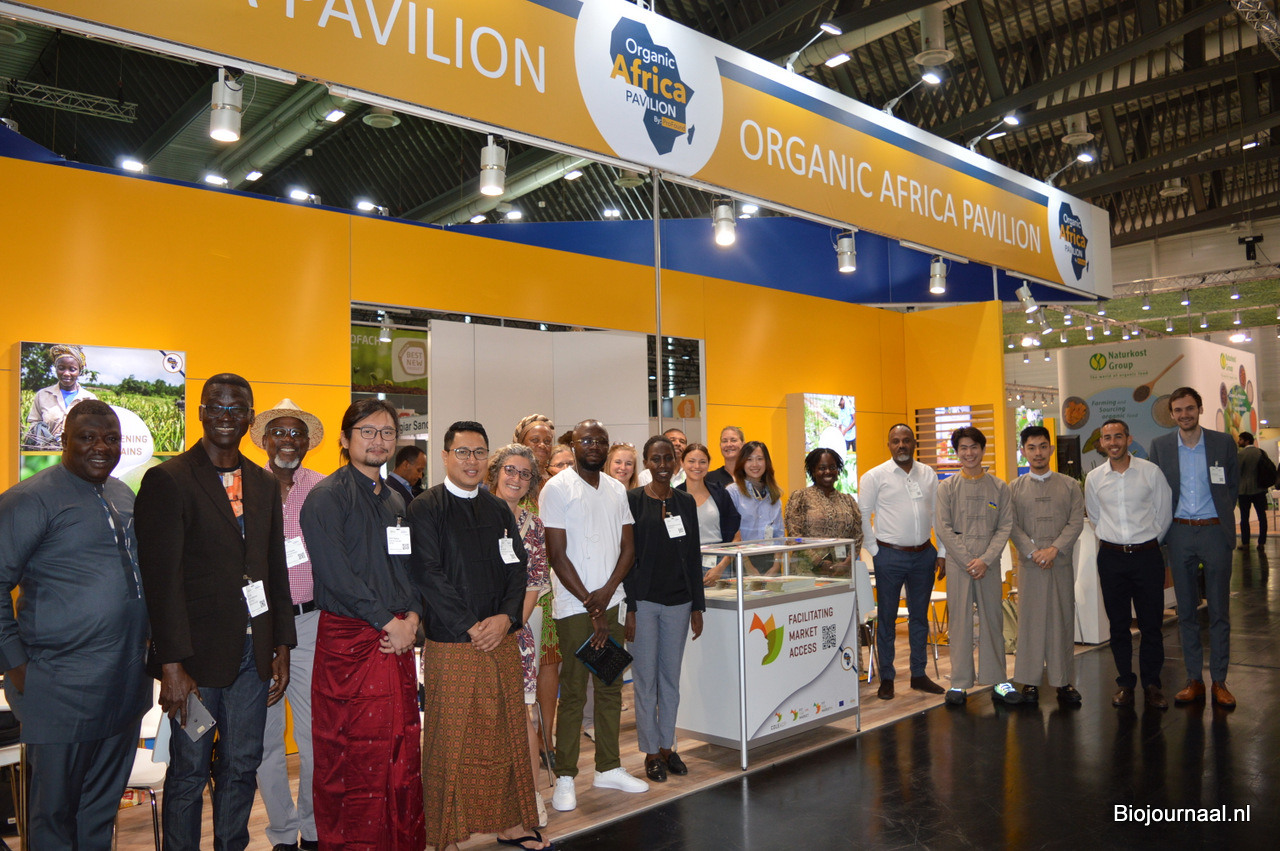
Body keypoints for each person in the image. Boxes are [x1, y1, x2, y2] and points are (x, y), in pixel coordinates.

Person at [135, 373, 296, 851]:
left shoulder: (263, 482)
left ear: (250, 417)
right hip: (194, 664)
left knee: (242, 764)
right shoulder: (168, 479)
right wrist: (171, 664)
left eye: (236, 407)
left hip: (253, 657)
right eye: (217, 406)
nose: (226, 415)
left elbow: (273, 569)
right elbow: (160, 581)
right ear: (202, 412)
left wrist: (281, 643)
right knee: (188, 771)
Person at [0, 401, 150, 850]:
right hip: (58, 687)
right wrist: (15, 663)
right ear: (63, 440)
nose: (101, 447)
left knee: (100, 811)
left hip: (124, 684)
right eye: (87, 437)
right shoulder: (29, 499)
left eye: (111, 438)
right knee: (54, 816)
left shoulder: (122, 494)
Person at [410, 423, 550, 851]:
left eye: (478, 453)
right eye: (462, 452)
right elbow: (427, 574)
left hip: (501, 639)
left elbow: (517, 569)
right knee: (449, 739)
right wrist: (472, 625)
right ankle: (444, 836)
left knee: (505, 735)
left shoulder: (496, 509)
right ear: (445, 456)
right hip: (452, 641)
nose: (471, 461)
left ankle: (510, 825)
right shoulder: (425, 507)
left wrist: (506, 619)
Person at [300, 399, 425, 851]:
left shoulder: (395, 498)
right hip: (351, 642)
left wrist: (413, 617)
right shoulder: (326, 497)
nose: (378, 440)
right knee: (351, 755)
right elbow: (335, 574)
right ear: (345, 438)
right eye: (367, 431)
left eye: (387, 432)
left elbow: (408, 568)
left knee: (399, 747)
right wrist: (388, 622)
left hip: (396, 638)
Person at [539, 419, 647, 812]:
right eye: (587, 440)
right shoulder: (557, 488)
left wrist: (605, 597)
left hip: (611, 601)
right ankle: (566, 776)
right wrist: (591, 602)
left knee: (610, 685)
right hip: (573, 606)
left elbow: (628, 549)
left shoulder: (617, 489)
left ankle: (608, 767)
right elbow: (557, 555)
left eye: (601, 440)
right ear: (574, 444)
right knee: (573, 690)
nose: (595, 446)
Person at [250, 399, 327, 851]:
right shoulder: (243, 487)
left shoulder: (323, 489)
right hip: (258, 627)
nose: (287, 441)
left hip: (311, 624)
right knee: (264, 738)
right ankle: (281, 832)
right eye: (279, 432)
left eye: (296, 433)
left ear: (307, 443)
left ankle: (312, 829)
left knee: (315, 735)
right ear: (264, 440)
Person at [1148, 387, 1241, 708]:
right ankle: (1193, 680)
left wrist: (1221, 518)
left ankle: (1219, 681)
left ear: (1199, 409)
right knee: (1186, 610)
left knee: (1219, 610)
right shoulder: (1160, 447)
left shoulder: (1222, 443)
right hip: (1179, 533)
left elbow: (1232, 486)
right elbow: (1157, 491)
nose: (1184, 414)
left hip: (1215, 531)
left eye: (1189, 408)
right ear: (1171, 414)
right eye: (1178, 410)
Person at [624, 436, 704, 783]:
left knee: (670, 679)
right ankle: (651, 752)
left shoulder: (685, 502)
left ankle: (668, 746)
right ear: (646, 462)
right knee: (645, 681)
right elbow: (625, 558)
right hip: (643, 603)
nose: (662, 465)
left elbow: (694, 555)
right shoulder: (632, 501)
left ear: (676, 462)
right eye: (655, 459)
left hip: (679, 603)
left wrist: (697, 606)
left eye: (668, 458)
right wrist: (629, 607)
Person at [485, 442, 553, 828]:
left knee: (521, 715)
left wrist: (509, 626)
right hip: (473, 632)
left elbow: (535, 582)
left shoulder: (534, 525)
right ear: (496, 473)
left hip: (518, 632)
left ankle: (531, 798)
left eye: (525, 474)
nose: (516, 478)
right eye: (509, 470)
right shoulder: (474, 514)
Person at [1084, 418, 1172, 710]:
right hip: (1112, 559)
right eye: (1107, 438)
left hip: (1147, 557)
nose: (1113, 442)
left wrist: (1148, 542)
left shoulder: (1151, 472)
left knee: (1151, 625)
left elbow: (1163, 513)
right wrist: (1117, 542)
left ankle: (1152, 684)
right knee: (1119, 626)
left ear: (1128, 439)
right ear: (1101, 443)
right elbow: (1095, 517)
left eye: (1118, 436)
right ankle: (1125, 683)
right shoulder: (1094, 478)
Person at [858, 424, 947, 700]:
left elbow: (938, 515)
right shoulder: (875, 476)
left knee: (919, 618)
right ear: (888, 445)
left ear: (914, 443)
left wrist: (941, 551)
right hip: (889, 556)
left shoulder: (928, 474)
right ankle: (887, 678)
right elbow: (863, 515)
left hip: (924, 555)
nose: (901, 445)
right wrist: (875, 551)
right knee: (887, 619)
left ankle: (918, 674)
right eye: (895, 441)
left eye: (906, 440)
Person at [935, 426, 1017, 706]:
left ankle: (999, 681)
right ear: (956, 452)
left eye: (974, 447)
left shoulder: (999, 487)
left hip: (988, 564)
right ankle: (959, 683)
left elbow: (1005, 526)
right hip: (959, 565)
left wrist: (986, 559)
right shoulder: (947, 488)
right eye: (963, 448)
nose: (969, 453)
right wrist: (966, 560)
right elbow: (943, 528)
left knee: (993, 620)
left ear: (982, 450)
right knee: (959, 623)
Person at [1008, 426, 1086, 705]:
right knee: (1029, 623)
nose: (1038, 453)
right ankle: (1029, 682)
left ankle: (1063, 682)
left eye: (1043, 446)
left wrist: (1053, 550)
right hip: (1030, 566)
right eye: (1031, 448)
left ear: (1051, 449)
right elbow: (1011, 525)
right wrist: (1032, 552)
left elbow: (1075, 522)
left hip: (1060, 563)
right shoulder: (1013, 489)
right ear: (1023, 451)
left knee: (1061, 621)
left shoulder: (1070, 486)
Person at [784, 447, 864, 576]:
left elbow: (858, 536)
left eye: (832, 467)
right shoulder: (800, 498)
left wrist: (847, 563)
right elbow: (795, 536)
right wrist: (819, 563)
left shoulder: (848, 501)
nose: (828, 472)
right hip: (807, 571)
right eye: (822, 468)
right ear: (813, 471)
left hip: (841, 572)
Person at [677, 442, 741, 585]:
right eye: (691, 461)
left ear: (708, 464)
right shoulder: (674, 496)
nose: (697, 466)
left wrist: (721, 566)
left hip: (719, 563)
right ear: (682, 463)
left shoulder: (720, 493)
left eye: (702, 462)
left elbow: (737, 536)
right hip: (685, 565)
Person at [23, 343, 99, 449]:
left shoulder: (90, 399)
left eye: (72, 369)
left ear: (79, 371)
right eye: (61, 368)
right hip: (46, 453)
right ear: (56, 369)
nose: (66, 373)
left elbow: (96, 430)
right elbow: (33, 425)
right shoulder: (42, 395)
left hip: (79, 454)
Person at [728, 440, 784, 573]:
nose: (755, 464)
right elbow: (733, 533)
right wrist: (748, 566)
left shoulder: (773, 493)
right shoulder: (733, 492)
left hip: (771, 559)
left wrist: (776, 565)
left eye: (760, 459)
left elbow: (779, 534)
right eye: (749, 459)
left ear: (766, 462)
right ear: (742, 463)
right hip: (742, 557)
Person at [1236, 432, 1268, 550]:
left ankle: (1245, 543)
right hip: (1260, 489)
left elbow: (1237, 471)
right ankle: (1261, 543)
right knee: (1262, 517)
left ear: (1247, 441)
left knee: (1244, 518)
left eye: (1240, 440)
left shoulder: (1241, 454)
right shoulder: (1261, 452)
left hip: (1244, 491)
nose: (1238, 442)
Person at [514, 413, 556, 481]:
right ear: (521, 444)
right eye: (535, 440)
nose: (542, 445)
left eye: (547, 441)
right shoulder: (514, 479)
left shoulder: (558, 479)